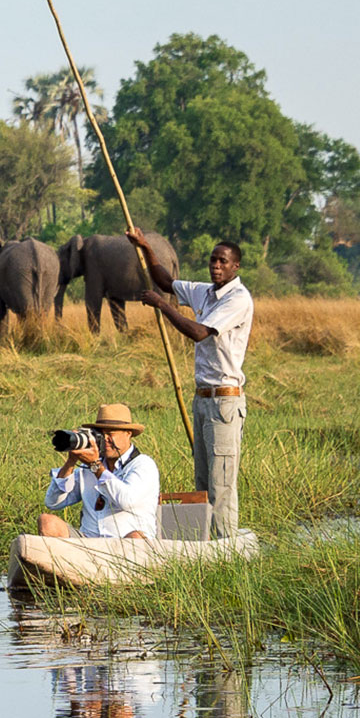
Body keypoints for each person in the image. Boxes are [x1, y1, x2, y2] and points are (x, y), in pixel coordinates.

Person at [129, 230, 254, 539]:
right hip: (202, 399)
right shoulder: (205, 292)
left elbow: (199, 332)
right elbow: (165, 282)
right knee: (202, 479)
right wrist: (146, 248)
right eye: (213, 260)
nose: (216, 266)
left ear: (235, 266)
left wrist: (163, 306)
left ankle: (225, 545)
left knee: (221, 482)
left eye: (223, 262)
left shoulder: (238, 299)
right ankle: (204, 542)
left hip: (225, 401)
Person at [38, 403, 159, 539]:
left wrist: (96, 466)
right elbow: (53, 502)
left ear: (128, 434)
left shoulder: (143, 464)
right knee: (47, 522)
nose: (105, 440)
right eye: (100, 434)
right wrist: (71, 462)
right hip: (89, 543)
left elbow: (126, 501)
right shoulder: (89, 466)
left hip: (127, 545)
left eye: (110, 434)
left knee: (135, 537)